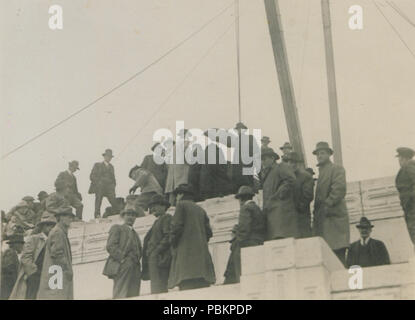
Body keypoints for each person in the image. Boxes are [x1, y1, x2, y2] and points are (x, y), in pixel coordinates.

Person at [168, 184, 216, 291]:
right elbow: (209, 233)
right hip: (202, 265)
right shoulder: (200, 210)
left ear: (181, 194)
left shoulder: (181, 206)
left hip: (186, 262)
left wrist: (172, 242)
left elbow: (176, 228)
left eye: (177, 195)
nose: (176, 198)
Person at [312, 141, 350, 266]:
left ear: (329, 154)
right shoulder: (322, 172)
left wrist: (327, 205)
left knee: (337, 256)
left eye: (322, 153)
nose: (319, 156)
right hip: (323, 222)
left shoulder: (336, 169)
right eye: (317, 154)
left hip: (334, 220)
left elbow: (339, 189)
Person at [223, 186, 266, 284]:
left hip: (249, 242)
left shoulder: (245, 208)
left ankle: (231, 280)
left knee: (235, 256)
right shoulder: (257, 208)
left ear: (241, 199)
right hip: (258, 241)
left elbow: (244, 230)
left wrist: (237, 240)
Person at [10, 212, 57, 300]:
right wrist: (33, 272)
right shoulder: (34, 239)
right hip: (36, 274)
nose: (50, 228)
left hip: (50, 274)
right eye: (48, 225)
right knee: (32, 296)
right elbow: (26, 257)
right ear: (42, 227)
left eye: (52, 225)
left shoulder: (55, 240)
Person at [103, 208, 142, 299]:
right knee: (121, 293)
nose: (130, 217)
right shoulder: (117, 228)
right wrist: (123, 260)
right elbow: (111, 246)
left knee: (134, 294)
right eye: (128, 214)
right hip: (123, 266)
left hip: (135, 267)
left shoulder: (135, 233)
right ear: (123, 216)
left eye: (133, 215)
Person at [37, 206, 75, 300]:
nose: (69, 219)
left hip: (56, 273)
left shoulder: (60, 231)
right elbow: (57, 254)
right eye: (66, 216)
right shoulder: (58, 232)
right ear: (59, 218)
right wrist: (67, 269)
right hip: (57, 274)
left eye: (71, 216)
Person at [261, 147, 298, 240]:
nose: (262, 162)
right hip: (272, 215)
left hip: (281, 215)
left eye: (264, 159)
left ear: (272, 158)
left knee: (283, 241)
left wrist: (278, 195)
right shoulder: (267, 174)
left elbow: (291, 180)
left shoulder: (281, 167)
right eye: (261, 160)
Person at [142, 194, 172, 294]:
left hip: (160, 258)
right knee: (156, 287)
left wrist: (156, 251)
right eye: (151, 206)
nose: (152, 208)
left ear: (164, 206)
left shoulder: (166, 218)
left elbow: (168, 236)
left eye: (156, 205)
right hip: (155, 259)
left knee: (159, 288)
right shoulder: (158, 221)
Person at [285, 152, 314, 238]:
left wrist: (297, 208)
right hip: (288, 217)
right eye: (290, 162)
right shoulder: (285, 177)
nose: (292, 164)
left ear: (299, 163)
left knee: (304, 240)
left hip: (301, 216)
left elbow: (308, 196)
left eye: (294, 162)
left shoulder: (306, 176)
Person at [199, 129, 233, 200]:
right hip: (214, 189)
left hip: (208, 187)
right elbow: (217, 170)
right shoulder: (214, 150)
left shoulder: (209, 149)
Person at [227, 122, 259, 193]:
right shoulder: (236, 139)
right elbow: (228, 144)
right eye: (238, 130)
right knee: (238, 183)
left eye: (241, 129)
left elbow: (255, 150)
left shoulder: (250, 138)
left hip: (247, 164)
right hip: (237, 166)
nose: (239, 131)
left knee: (248, 183)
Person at [165, 130, 192, 206]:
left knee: (173, 194)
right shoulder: (185, 144)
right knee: (181, 192)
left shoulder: (175, 146)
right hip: (182, 173)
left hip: (173, 175)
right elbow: (189, 160)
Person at [395, 147, 415, 245]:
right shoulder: (408, 166)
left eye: (399, 158)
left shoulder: (409, 165)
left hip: (412, 209)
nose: (399, 161)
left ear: (403, 158)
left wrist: (411, 203)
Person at [89, 149, 118, 218]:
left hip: (109, 188)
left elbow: (113, 178)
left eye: (110, 157)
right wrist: (99, 182)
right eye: (107, 156)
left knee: (114, 201)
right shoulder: (97, 165)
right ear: (104, 157)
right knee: (98, 201)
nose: (109, 158)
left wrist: (113, 185)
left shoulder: (111, 167)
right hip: (100, 187)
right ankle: (97, 215)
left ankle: (116, 214)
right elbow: (92, 176)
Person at [1, 233, 25, 300]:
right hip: (8, 283)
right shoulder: (11, 253)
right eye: (21, 244)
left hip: (8, 282)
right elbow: (7, 268)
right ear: (15, 244)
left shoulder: (11, 252)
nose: (22, 246)